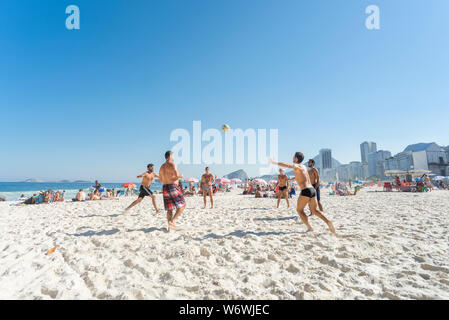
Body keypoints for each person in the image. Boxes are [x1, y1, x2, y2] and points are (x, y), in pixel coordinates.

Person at [269, 153, 336, 234]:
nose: (292, 158)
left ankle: (309, 227)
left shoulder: (297, 166)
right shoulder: (304, 167)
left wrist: (274, 162)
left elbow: (287, 165)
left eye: (294, 156)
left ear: (296, 159)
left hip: (305, 190)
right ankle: (328, 222)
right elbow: (301, 176)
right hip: (312, 189)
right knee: (315, 210)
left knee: (299, 210)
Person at [159, 151, 186, 231]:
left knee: (169, 208)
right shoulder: (173, 164)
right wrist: (181, 175)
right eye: (173, 155)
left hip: (165, 187)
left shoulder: (162, 166)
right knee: (182, 205)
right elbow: (176, 176)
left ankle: (169, 227)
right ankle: (173, 221)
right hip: (172, 186)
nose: (174, 157)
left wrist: (167, 178)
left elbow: (160, 179)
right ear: (170, 156)